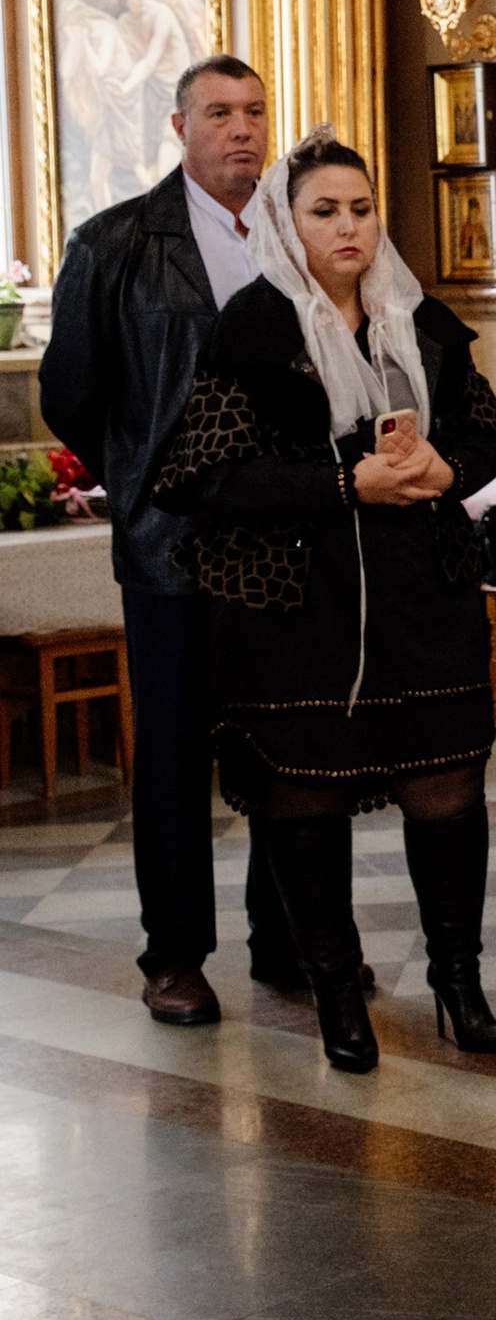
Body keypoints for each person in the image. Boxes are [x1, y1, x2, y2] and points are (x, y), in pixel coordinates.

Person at [151, 133, 496, 1075]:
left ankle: (459, 984)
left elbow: (484, 432)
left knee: (446, 783)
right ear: (288, 222)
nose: (347, 227)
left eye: (359, 208)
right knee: (305, 792)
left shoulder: (420, 320)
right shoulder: (254, 327)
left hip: (419, 594)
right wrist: (342, 483)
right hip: (297, 611)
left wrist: (448, 466)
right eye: (324, 211)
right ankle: (336, 996)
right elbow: (208, 475)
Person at [40, 51, 295, 1023]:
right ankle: (175, 957)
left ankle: (287, 938)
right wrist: (145, 473)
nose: (241, 130)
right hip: (170, 544)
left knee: (286, 749)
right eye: (219, 113)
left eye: (254, 113)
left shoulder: (295, 226)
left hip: (281, 541)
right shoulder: (114, 245)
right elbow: (72, 394)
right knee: (177, 756)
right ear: (179, 127)